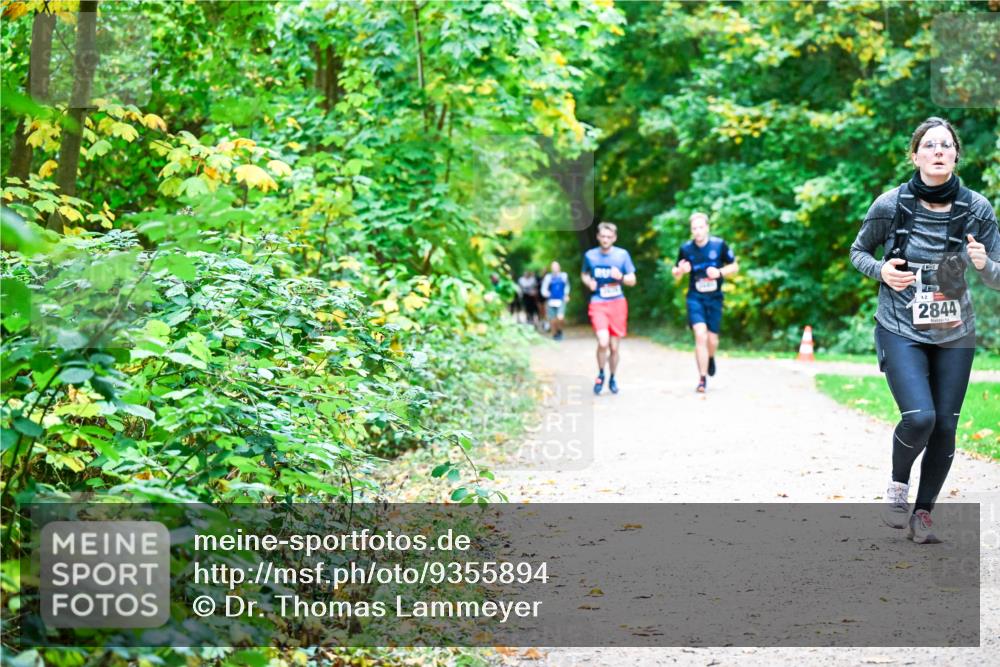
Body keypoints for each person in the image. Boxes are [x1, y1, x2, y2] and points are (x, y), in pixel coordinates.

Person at [850, 117, 1000, 544]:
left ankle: (924, 514)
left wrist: (983, 263)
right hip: (900, 325)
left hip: (955, 330)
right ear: (915, 155)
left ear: (955, 155)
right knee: (920, 418)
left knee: (947, 427)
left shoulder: (977, 208)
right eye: (929, 145)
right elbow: (858, 252)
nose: (938, 151)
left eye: (946, 145)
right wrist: (882, 271)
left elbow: (997, 274)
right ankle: (899, 484)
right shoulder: (890, 205)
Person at [671, 212, 738, 393]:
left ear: (707, 227)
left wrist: (720, 273)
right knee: (700, 334)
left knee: (712, 339)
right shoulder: (686, 248)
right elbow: (676, 272)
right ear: (691, 231)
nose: (698, 231)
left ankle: (710, 356)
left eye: (701, 227)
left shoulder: (719, 245)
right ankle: (702, 379)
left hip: (715, 298)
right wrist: (680, 271)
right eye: (694, 228)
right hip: (695, 297)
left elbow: (734, 266)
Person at [581, 222, 636, 394]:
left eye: (609, 237)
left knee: (614, 347)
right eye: (603, 236)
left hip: (617, 302)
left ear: (614, 238)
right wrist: (588, 281)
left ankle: (612, 376)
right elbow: (584, 273)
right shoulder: (590, 256)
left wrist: (621, 277)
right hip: (598, 302)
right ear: (598, 237)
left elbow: (632, 280)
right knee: (603, 341)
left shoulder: (622, 255)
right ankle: (600, 373)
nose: (605, 240)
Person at [541, 261, 570, 340]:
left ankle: (560, 330)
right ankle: (555, 334)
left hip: (561, 300)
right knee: (553, 319)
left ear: (559, 267)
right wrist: (548, 294)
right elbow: (544, 289)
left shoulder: (564, 276)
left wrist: (566, 295)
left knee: (560, 318)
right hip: (551, 301)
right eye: (553, 267)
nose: (555, 268)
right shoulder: (548, 277)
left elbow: (567, 286)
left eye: (556, 267)